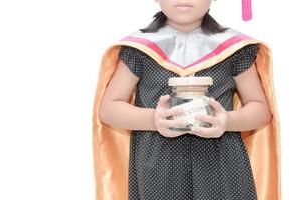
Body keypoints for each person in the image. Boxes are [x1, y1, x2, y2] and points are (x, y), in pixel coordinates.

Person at [93, 0, 280, 199]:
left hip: (222, 163)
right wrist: (153, 119)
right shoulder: (140, 49)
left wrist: (228, 121)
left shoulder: (234, 49)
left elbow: (260, 109)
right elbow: (109, 109)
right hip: (157, 165)